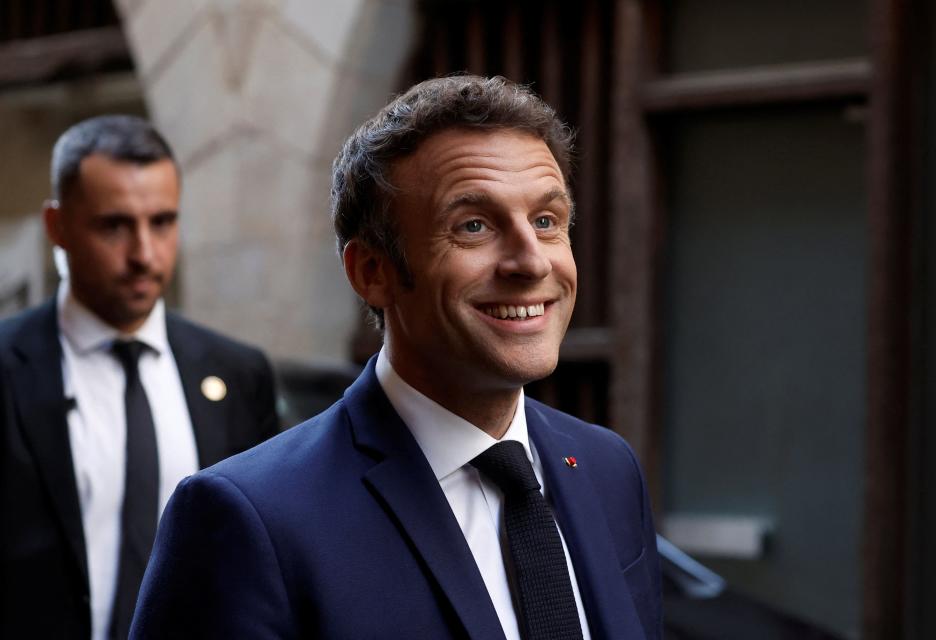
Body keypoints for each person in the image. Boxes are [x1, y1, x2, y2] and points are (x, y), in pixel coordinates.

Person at [132, 76, 662, 639]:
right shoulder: (251, 520)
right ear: (372, 273)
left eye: (546, 221)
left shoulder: (608, 469)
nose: (531, 263)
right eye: (474, 226)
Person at [0, 115, 279, 640]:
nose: (144, 255)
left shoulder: (238, 375)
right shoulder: (8, 368)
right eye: (114, 226)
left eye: (163, 222)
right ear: (57, 227)